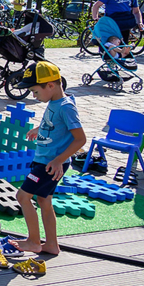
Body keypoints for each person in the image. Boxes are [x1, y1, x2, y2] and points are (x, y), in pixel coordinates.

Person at [11, 61, 86, 256]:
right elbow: (56, 125)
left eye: (35, 92)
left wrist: (59, 160)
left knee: (22, 196)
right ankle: (51, 244)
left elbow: (80, 139)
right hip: (44, 160)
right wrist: (40, 129)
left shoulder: (66, 107)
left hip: (49, 164)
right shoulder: (55, 102)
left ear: (50, 85)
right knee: (44, 200)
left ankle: (34, 241)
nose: (35, 96)